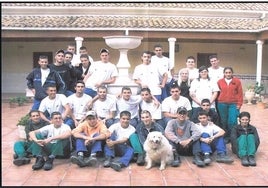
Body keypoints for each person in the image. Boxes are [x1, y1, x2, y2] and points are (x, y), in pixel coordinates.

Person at [217, 67, 243, 144]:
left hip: (233, 104)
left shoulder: (237, 81)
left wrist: (239, 105)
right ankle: (225, 137)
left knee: (232, 121)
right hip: (222, 104)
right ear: (224, 73)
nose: (228, 74)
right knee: (223, 121)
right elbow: (217, 92)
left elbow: (240, 94)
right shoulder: (220, 81)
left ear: (232, 73)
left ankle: (232, 137)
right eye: (226, 72)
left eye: (229, 72)